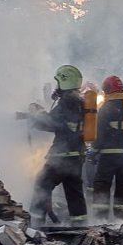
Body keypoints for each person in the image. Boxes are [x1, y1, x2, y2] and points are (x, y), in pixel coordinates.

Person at [28, 65, 88, 225]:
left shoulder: (67, 102)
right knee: (74, 192)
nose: (57, 87)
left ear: (65, 82)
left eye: (59, 83)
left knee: (41, 185)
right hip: (76, 155)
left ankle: (35, 225)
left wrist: (37, 114)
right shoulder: (81, 102)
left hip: (61, 157)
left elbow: (51, 123)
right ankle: (80, 224)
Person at [91, 75, 123, 221]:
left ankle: (99, 221)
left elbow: (99, 135)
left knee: (102, 187)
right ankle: (121, 221)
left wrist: (93, 152)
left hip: (108, 156)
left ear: (107, 91)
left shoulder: (104, 109)